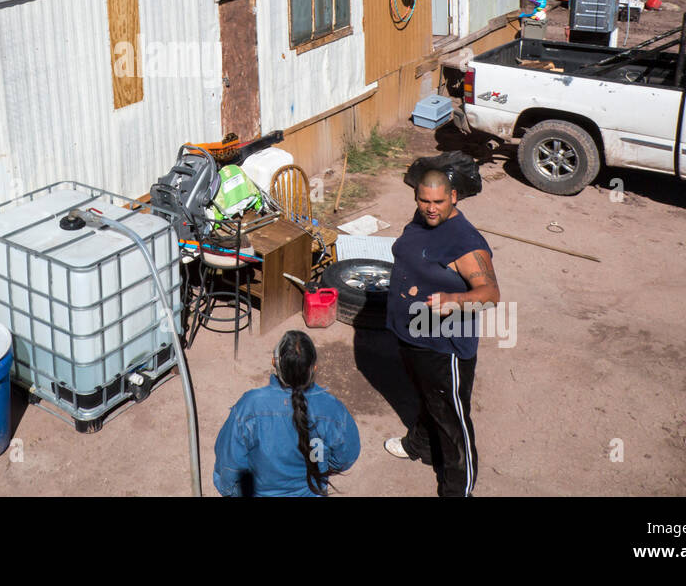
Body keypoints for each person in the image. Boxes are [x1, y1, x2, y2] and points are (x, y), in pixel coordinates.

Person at [383, 168, 500, 497]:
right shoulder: (423, 219)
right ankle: (420, 444)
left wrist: (453, 300)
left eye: (438, 201)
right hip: (412, 333)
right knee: (427, 397)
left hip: (443, 344)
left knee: (451, 419)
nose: (430, 208)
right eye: (424, 200)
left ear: (454, 197)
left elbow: (490, 296)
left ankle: (458, 490)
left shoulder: (466, 243)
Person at [213, 330, 360, 496]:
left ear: (274, 362)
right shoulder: (333, 409)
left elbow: (227, 466)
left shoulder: (251, 405)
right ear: (314, 368)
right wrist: (321, 469)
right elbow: (347, 456)